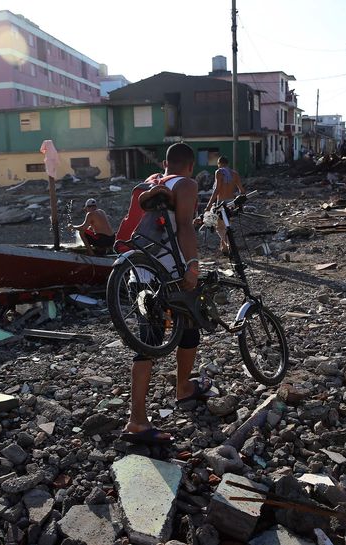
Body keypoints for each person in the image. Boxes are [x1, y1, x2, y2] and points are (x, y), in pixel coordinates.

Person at [120, 143, 214, 446]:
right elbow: (185, 227)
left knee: (156, 338)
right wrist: (193, 266)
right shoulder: (186, 184)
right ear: (189, 167)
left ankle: (183, 388)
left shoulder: (151, 183)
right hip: (168, 271)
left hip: (138, 268)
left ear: (165, 163)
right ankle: (137, 420)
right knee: (181, 330)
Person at [205, 156, 245, 255]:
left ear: (219, 163)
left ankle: (230, 245)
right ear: (228, 163)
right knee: (226, 226)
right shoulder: (234, 174)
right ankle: (224, 248)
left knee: (217, 226)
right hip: (232, 203)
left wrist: (209, 205)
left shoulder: (219, 172)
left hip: (221, 203)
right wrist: (238, 199)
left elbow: (217, 189)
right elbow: (242, 191)